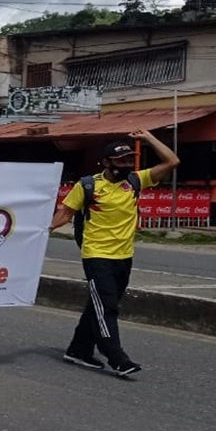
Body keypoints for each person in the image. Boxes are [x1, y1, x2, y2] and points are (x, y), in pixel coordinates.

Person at [49, 131, 180, 378]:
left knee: (99, 305)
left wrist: (149, 137)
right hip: (96, 255)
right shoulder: (88, 185)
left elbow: (172, 162)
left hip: (124, 256)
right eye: (120, 161)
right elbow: (65, 213)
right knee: (107, 307)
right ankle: (117, 358)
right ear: (107, 162)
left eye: (129, 160)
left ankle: (78, 350)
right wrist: (43, 229)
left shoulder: (135, 181)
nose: (126, 165)